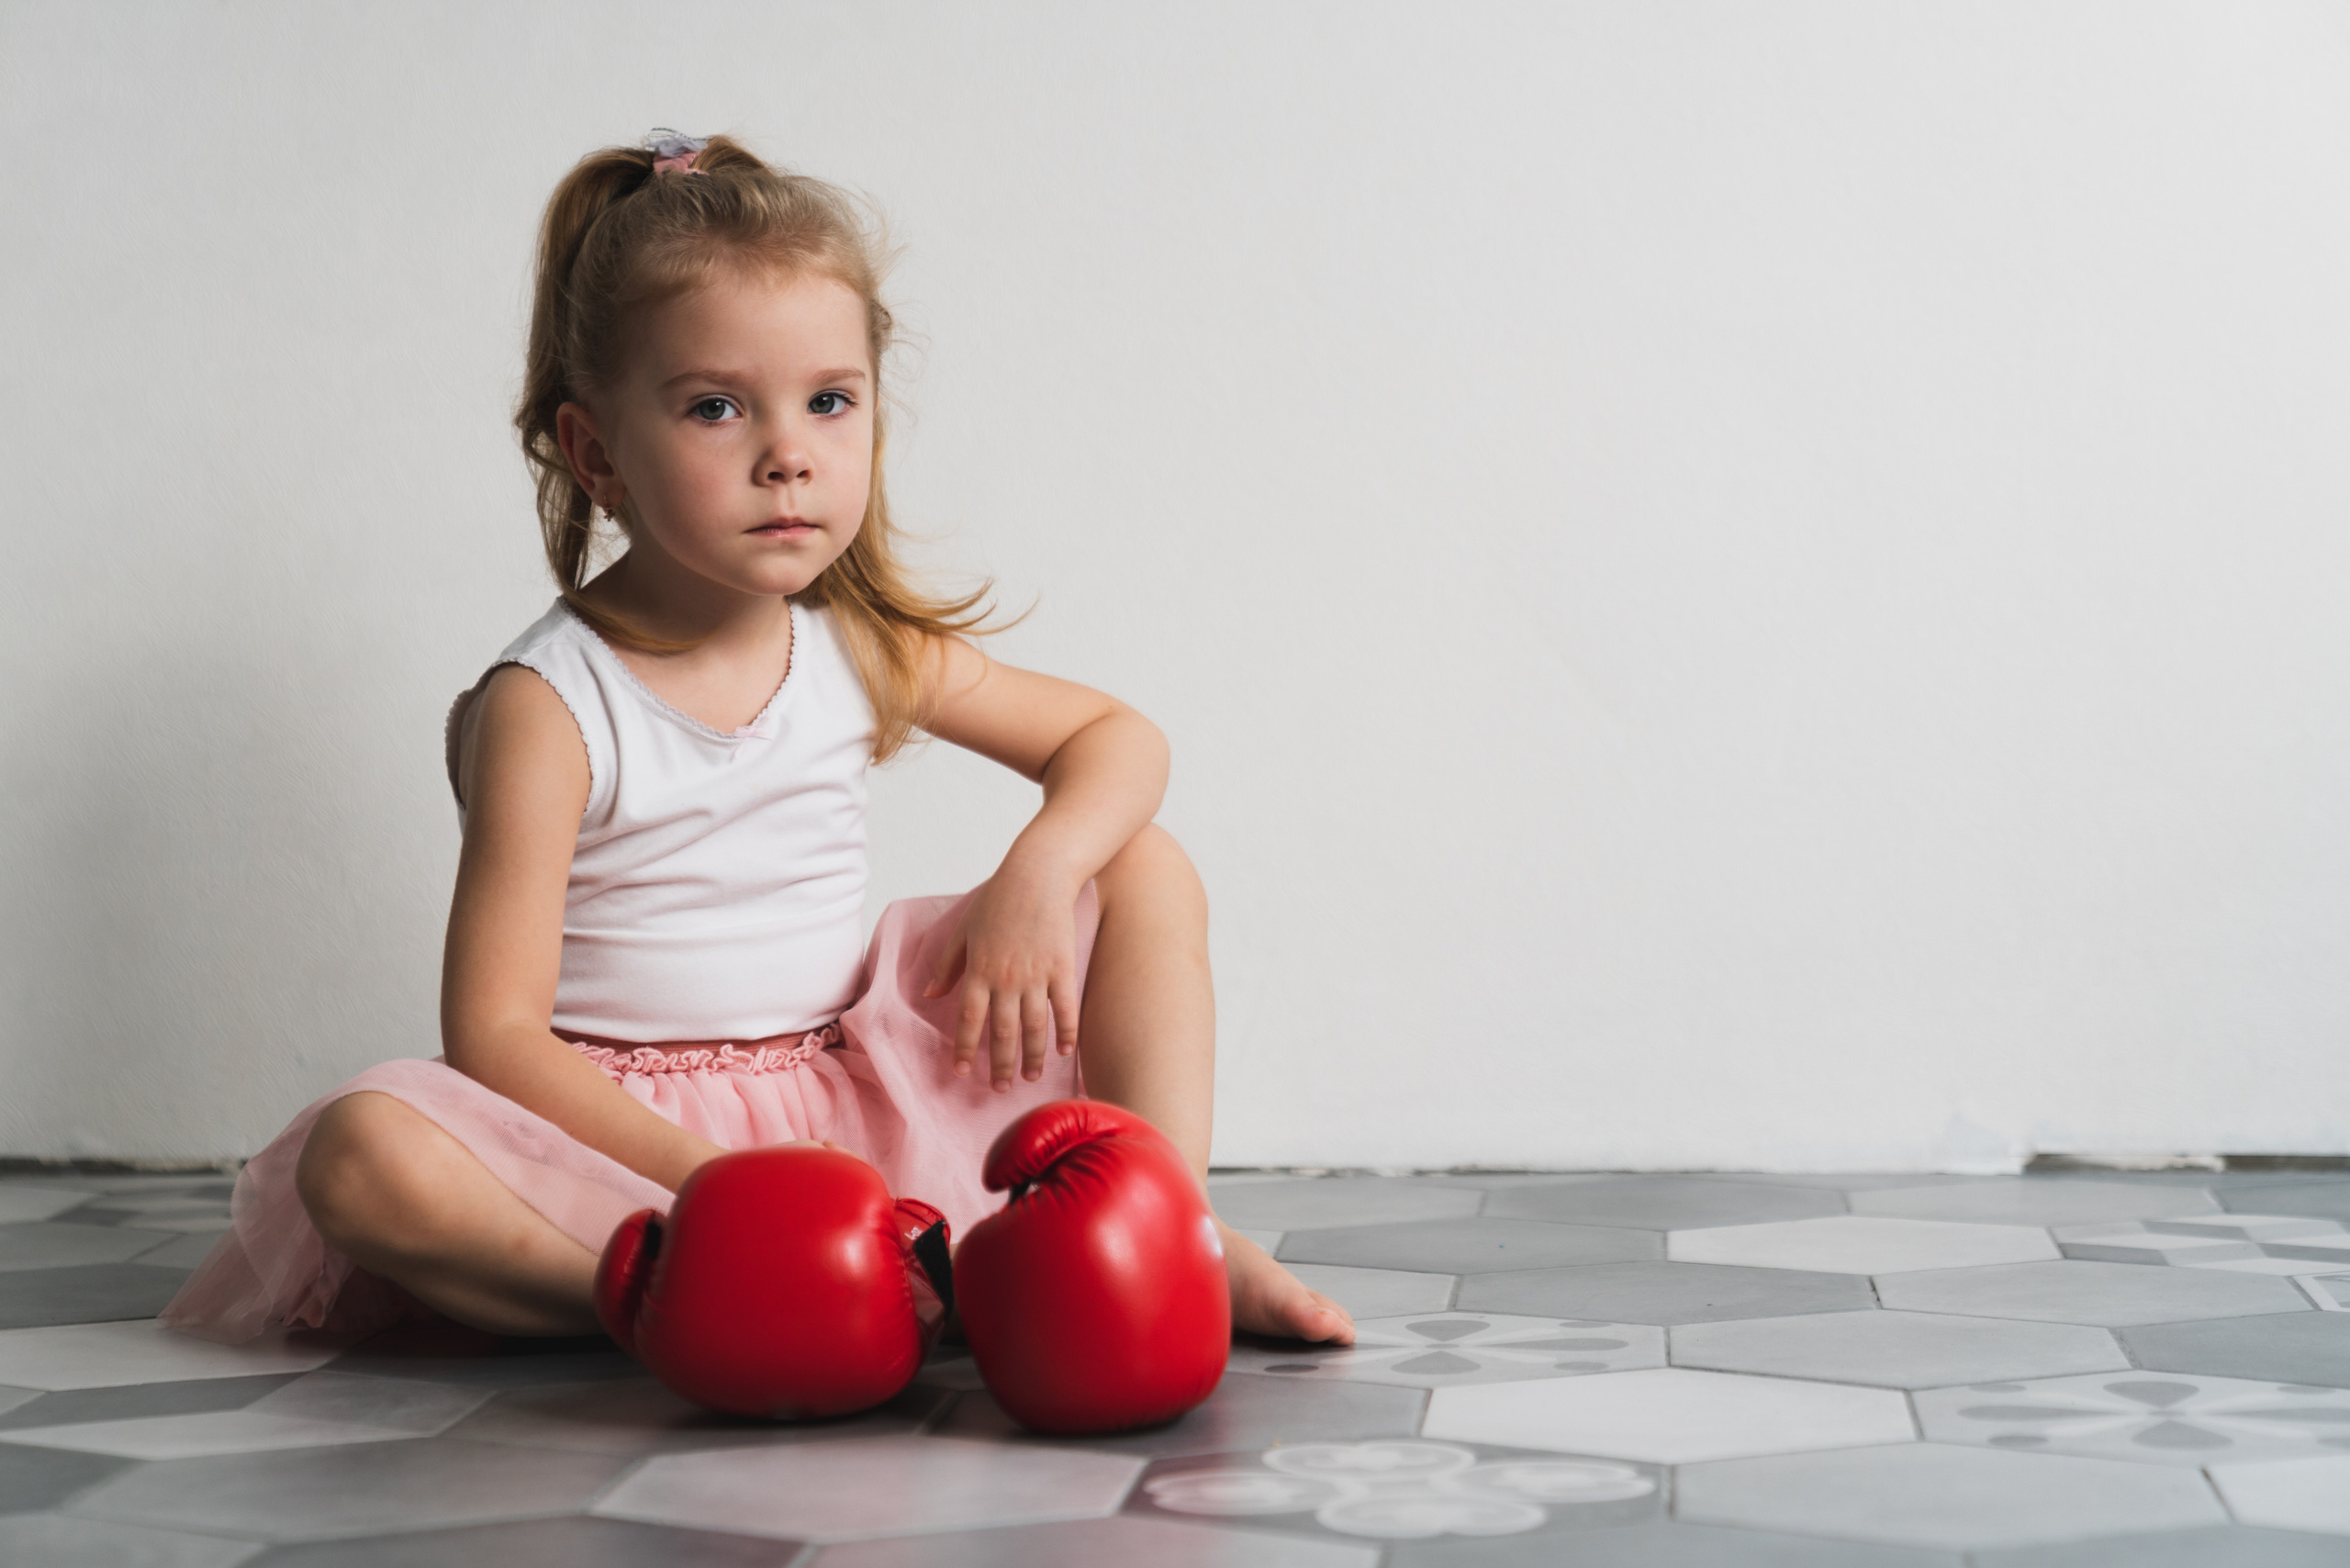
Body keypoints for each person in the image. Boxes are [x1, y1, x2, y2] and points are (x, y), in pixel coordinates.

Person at [162, 130, 1354, 1352]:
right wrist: (722, 1185)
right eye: (717, 408)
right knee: (363, 1159)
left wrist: (1038, 876)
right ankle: (671, 1297)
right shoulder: (553, 702)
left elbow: (1117, 736)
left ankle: (1163, 1232)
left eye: (829, 402)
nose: (788, 452)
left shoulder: (855, 646)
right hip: (630, 1136)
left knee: (1139, 862)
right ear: (597, 453)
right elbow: (497, 1033)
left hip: (856, 1089)